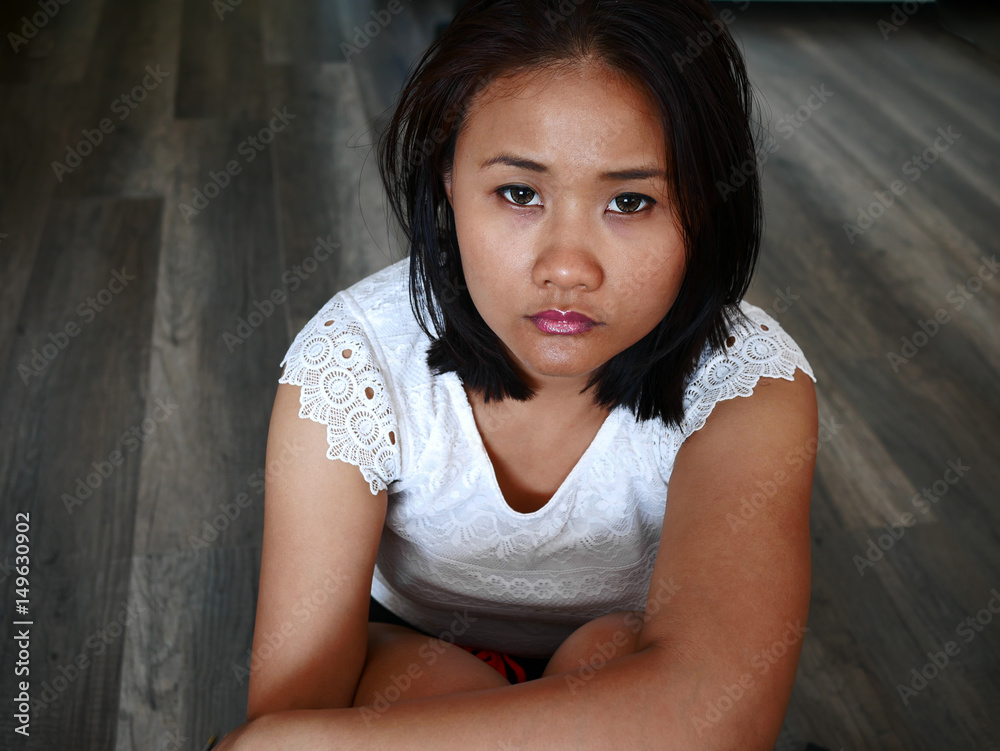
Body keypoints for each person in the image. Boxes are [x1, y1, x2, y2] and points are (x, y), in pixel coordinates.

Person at [216, 0, 818, 748]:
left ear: (707, 201)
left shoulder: (747, 383)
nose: (566, 267)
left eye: (631, 201)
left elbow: (717, 711)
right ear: (447, 176)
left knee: (609, 647)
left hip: (636, 676)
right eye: (520, 193)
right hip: (415, 671)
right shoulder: (352, 363)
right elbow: (298, 698)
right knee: (418, 677)